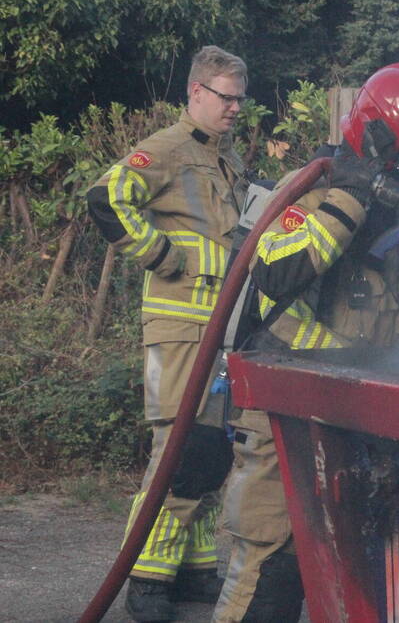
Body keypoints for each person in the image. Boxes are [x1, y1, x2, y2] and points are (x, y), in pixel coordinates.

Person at [213, 63, 399, 622]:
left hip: (377, 423)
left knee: (370, 584)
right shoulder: (308, 197)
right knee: (273, 574)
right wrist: (353, 192)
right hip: (291, 424)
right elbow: (275, 276)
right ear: (379, 143)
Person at [87, 46, 251, 622]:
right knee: (179, 454)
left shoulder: (223, 158)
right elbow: (106, 195)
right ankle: (147, 579)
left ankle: (193, 569)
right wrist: (160, 254)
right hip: (181, 325)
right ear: (197, 93)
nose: (235, 107)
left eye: (240, 97)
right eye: (225, 96)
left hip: (220, 331)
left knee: (214, 451)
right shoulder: (167, 149)